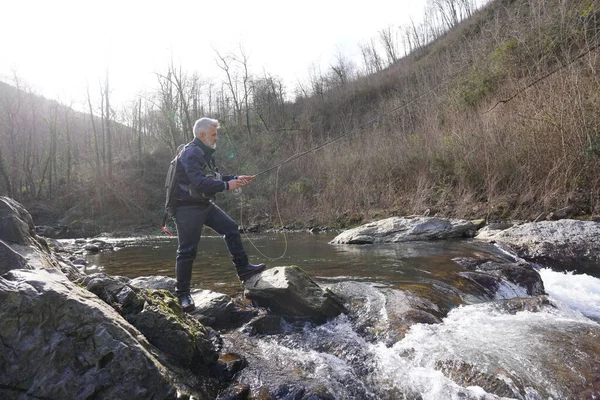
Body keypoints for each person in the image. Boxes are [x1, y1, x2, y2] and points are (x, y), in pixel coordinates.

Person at [173, 117, 265, 312]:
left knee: (230, 228)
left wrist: (235, 179)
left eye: (216, 134)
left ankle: (244, 270)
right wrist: (226, 186)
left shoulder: (205, 152)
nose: (217, 138)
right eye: (214, 134)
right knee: (187, 250)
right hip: (186, 207)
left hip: (203, 204)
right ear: (202, 135)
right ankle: (182, 295)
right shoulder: (190, 153)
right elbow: (199, 182)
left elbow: (214, 178)